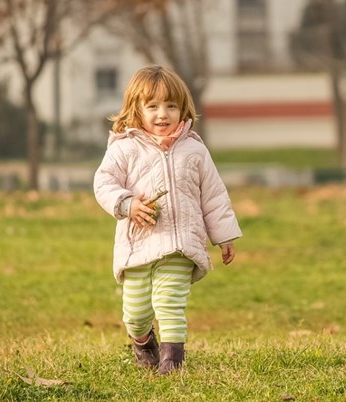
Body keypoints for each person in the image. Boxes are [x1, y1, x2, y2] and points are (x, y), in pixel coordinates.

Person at [94, 65, 242, 374]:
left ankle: (172, 362)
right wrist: (127, 204)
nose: (163, 114)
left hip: (180, 245)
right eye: (153, 106)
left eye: (171, 106)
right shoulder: (124, 148)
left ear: (183, 109)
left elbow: (213, 195)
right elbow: (103, 184)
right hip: (138, 246)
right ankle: (143, 341)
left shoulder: (194, 150)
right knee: (134, 314)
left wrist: (224, 235)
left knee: (170, 303)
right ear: (137, 109)